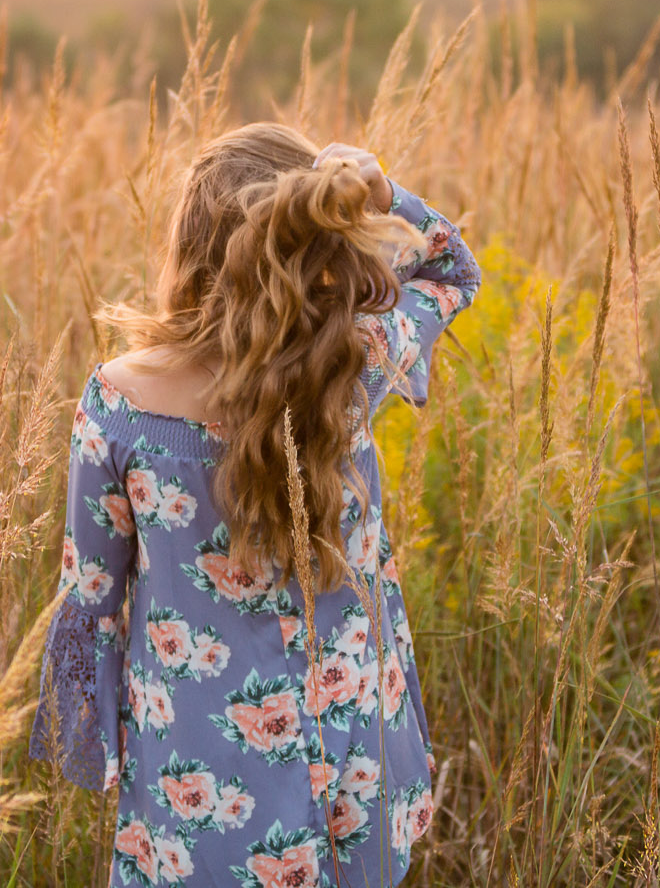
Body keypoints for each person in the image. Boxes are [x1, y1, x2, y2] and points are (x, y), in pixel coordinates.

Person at [30, 122, 481, 887]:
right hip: (355, 751)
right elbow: (452, 269)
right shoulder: (352, 365)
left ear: (187, 244)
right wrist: (380, 192)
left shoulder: (119, 401)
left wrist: (98, 747)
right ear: (317, 243)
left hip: (200, 776)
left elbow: (92, 596)